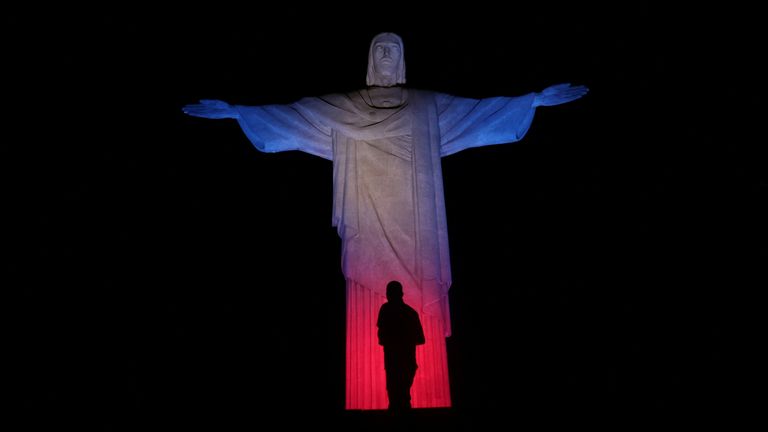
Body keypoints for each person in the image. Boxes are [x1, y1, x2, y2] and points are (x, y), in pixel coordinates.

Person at [182, 32, 588, 409]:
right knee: (374, 334)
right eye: (379, 48)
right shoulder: (347, 107)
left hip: (417, 226)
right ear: (370, 61)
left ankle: (415, 396)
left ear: (404, 59)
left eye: (394, 47)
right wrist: (238, 112)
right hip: (367, 221)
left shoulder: (427, 106)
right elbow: (295, 117)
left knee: (416, 345)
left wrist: (531, 100)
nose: (387, 54)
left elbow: (479, 114)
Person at [377, 280, 425, 412]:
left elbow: (381, 338)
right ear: (402, 293)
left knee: (395, 397)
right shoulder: (411, 313)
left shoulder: (385, 310)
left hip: (393, 361)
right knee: (403, 397)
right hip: (407, 362)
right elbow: (421, 339)